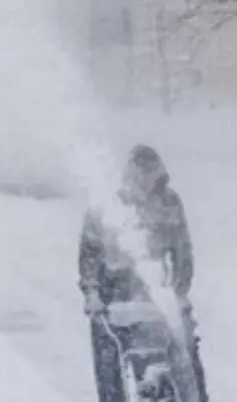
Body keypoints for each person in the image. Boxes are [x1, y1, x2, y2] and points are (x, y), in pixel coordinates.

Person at [78, 144, 209, 402]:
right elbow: (89, 254)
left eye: (152, 178)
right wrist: (92, 293)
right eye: (142, 179)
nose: (147, 186)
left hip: (155, 294)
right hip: (113, 298)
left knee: (185, 349)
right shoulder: (106, 208)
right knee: (109, 358)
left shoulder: (169, 203)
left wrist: (181, 290)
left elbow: (182, 249)